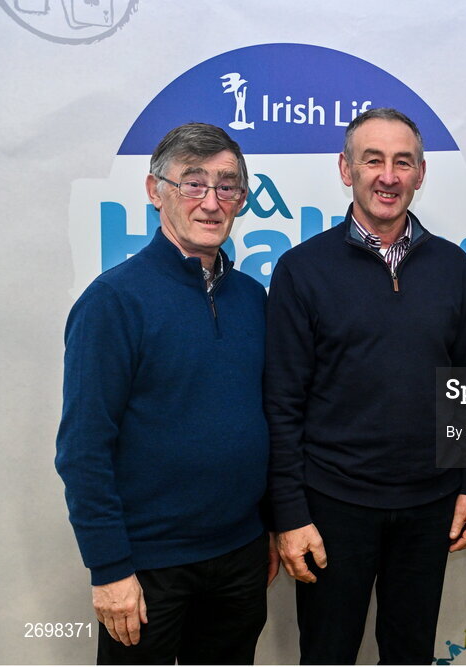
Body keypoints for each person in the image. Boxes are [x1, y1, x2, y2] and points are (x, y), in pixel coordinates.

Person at [264, 107, 466, 665]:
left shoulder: (454, 267)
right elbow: (282, 404)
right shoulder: (301, 270)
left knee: (410, 654)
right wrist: (290, 515)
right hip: (332, 505)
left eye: (402, 162)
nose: (387, 175)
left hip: (430, 503)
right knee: (326, 654)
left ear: (420, 174)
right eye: (373, 160)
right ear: (346, 169)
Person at [55, 122, 276, 664]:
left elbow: (268, 419)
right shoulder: (113, 303)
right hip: (147, 566)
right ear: (155, 192)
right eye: (192, 183)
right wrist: (109, 570)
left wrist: (267, 527)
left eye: (227, 186)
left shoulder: (253, 298)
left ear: (242, 199)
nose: (211, 201)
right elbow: (83, 451)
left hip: (240, 555)